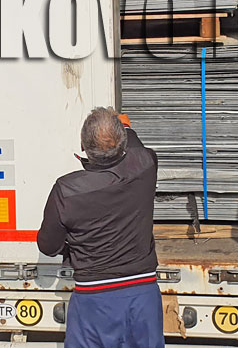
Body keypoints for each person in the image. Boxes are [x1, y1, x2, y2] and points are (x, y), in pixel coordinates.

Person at [37, 107, 163, 348]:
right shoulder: (146, 164)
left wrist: (71, 247)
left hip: (93, 300)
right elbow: (135, 145)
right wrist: (123, 124)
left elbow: (48, 246)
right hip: (143, 295)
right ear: (123, 142)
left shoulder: (67, 190)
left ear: (82, 146)